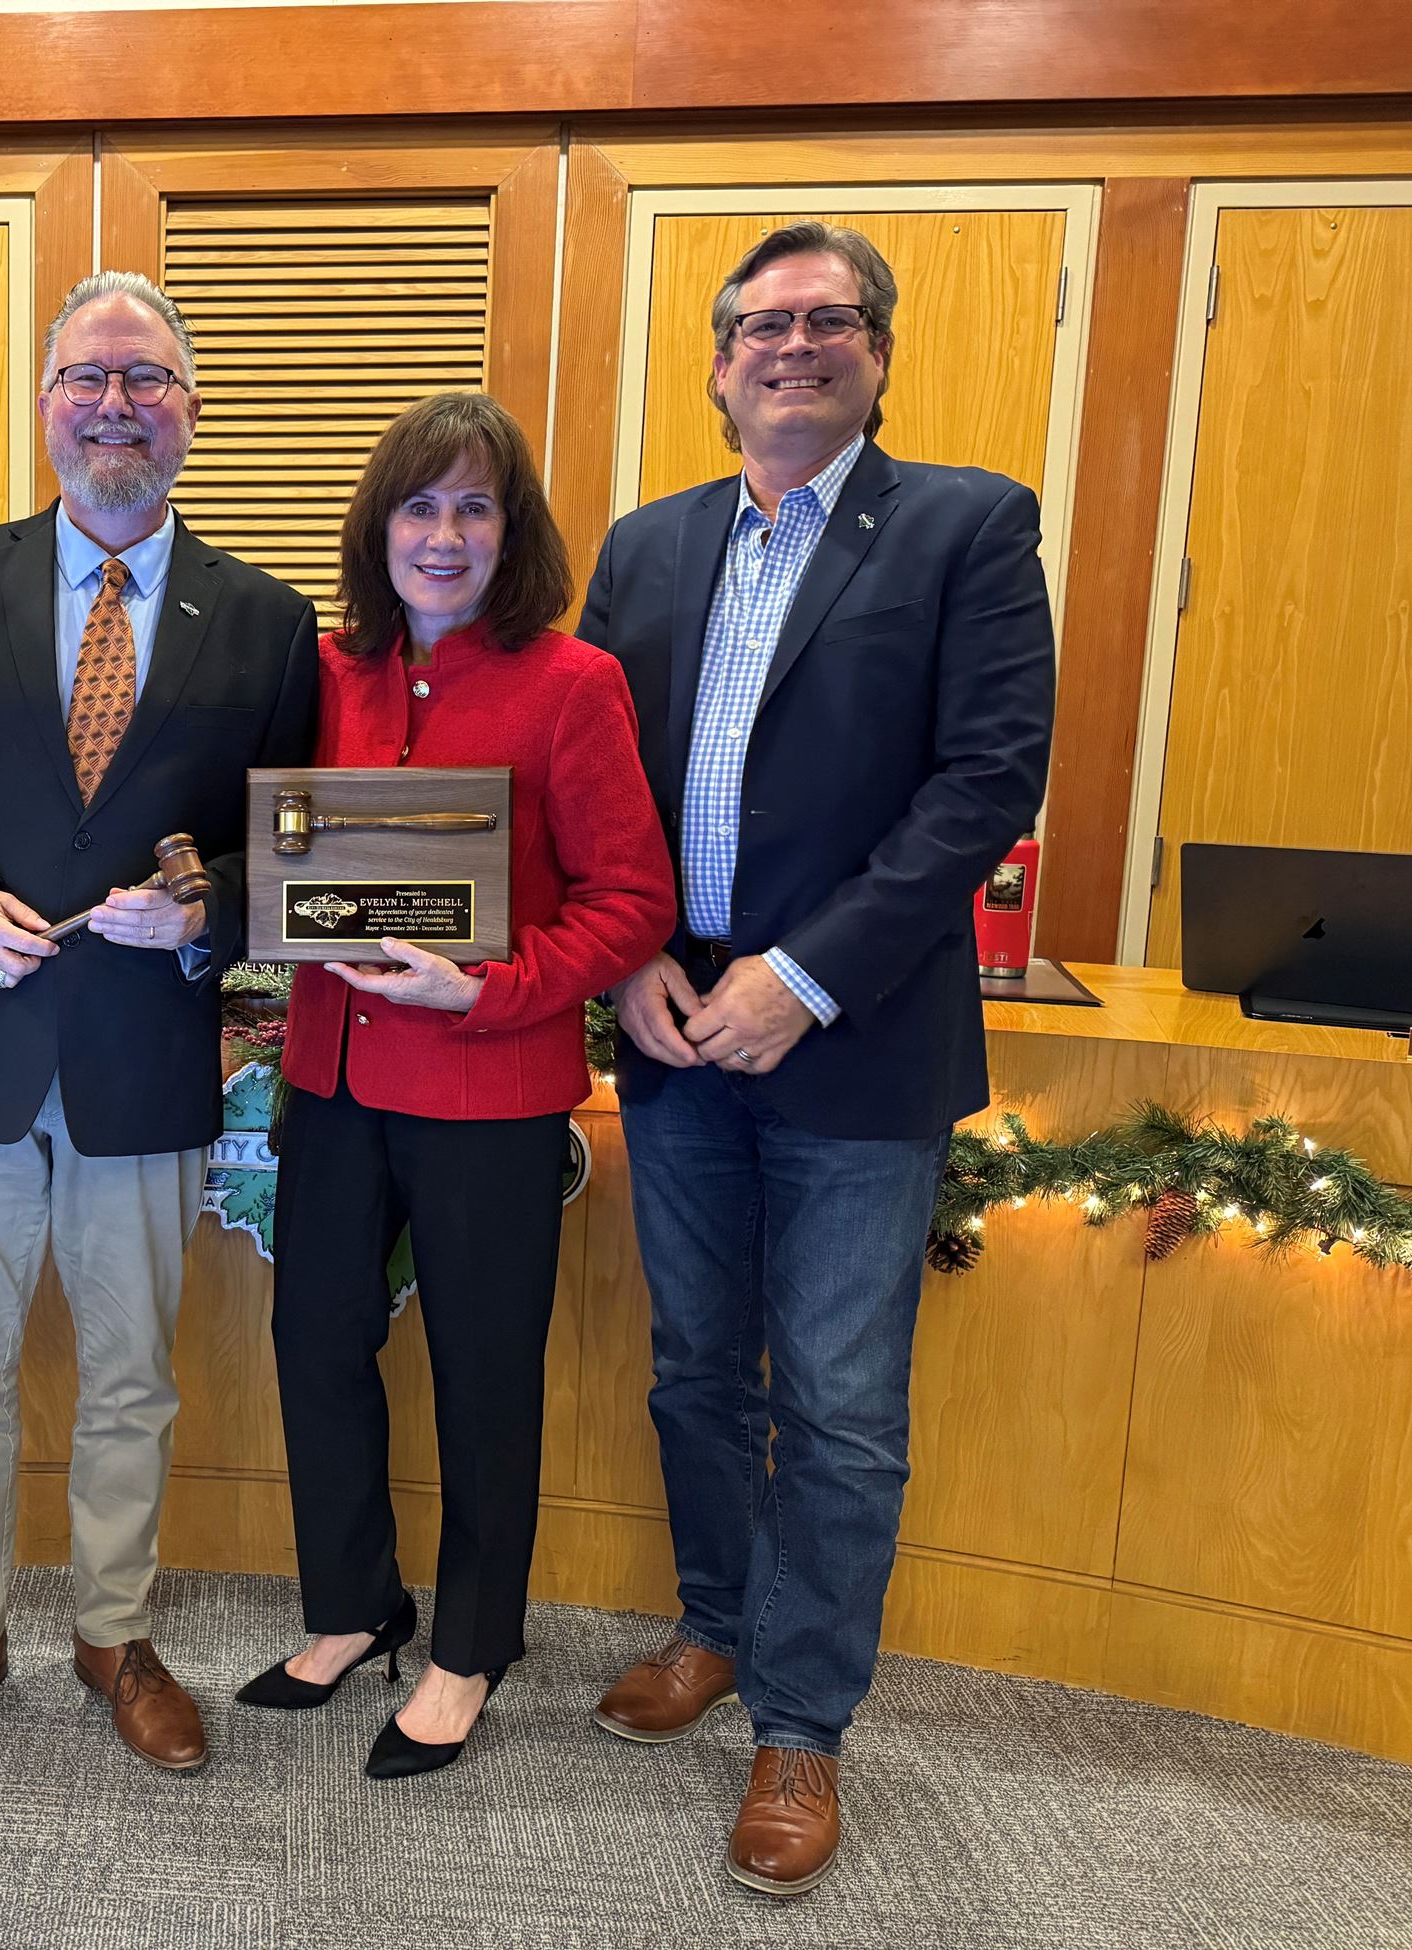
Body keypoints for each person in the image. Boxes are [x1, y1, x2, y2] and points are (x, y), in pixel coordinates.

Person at [577, 222, 1057, 1894]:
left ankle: (801, 1720)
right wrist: (628, 951)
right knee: (697, 1368)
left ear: (876, 351)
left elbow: (987, 783)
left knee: (841, 1406)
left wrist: (802, 974)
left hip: (852, 1047)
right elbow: (593, 781)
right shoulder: (642, 549)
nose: (793, 344)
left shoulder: (968, 527)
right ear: (717, 367)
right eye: (761, 323)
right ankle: (716, 1623)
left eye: (827, 318)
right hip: (671, 1033)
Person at [0, 271, 318, 1776]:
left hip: (143, 1052)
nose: (116, 406)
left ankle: (115, 1631)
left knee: (134, 1373)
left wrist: (209, 908)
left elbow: (295, 840)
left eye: (148, 381)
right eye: (88, 379)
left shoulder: (263, 617)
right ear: (44, 406)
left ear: (189, 412)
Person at [238, 392, 674, 1778]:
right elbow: (282, 850)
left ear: (512, 531)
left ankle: (472, 1642)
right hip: (333, 1070)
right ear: (379, 528)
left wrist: (487, 986)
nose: (443, 534)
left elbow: (631, 902)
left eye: (473, 507)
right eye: (418, 506)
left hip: (493, 1086)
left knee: (486, 1372)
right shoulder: (325, 669)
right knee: (315, 1339)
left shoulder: (573, 682)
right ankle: (354, 1604)